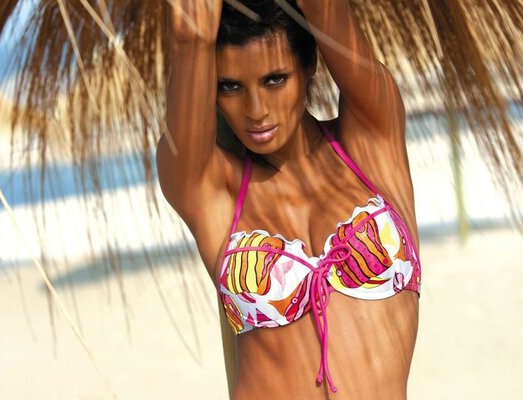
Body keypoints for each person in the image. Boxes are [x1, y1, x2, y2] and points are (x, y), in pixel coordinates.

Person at [157, 0, 421, 398]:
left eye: (275, 79)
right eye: (230, 86)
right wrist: (191, 41)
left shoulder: (372, 139)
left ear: (308, 66)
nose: (256, 110)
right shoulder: (214, 190)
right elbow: (188, 71)